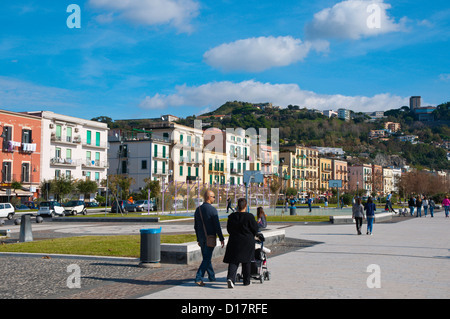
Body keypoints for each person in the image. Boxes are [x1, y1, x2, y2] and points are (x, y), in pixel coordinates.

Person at [223, 198, 259, 288]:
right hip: (247, 241)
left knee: (233, 260)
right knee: (246, 261)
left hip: (234, 241)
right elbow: (255, 229)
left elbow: (229, 230)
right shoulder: (249, 216)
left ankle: (230, 278)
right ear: (245, 206)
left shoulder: (232, 216)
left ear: (237, 206)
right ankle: (246, 281)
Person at [194, 189, 225, 286]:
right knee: (206, 259)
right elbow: (217, 226)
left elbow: (196, 226)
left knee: (206, 258)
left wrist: (198, 239)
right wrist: (221, 238)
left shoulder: (198, 209)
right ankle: (198, 278)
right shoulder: (212, 210)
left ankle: (212, 277)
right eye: (213, 196)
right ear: (209, 197)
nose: (215, 198)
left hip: (202, 238)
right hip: (210, 238)